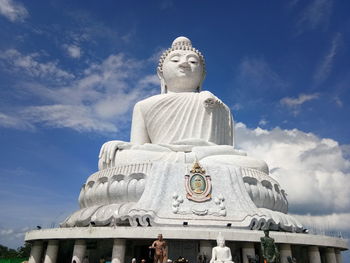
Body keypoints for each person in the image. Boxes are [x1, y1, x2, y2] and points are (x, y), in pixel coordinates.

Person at [98, 36, 268, 174]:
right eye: (175, 60)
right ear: (161, 73)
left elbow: (226, 149)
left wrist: (199, 153)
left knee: (259, 166)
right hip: (163, 156)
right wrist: (125, 147)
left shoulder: (218, 105)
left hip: (209, 158)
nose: (185, 64)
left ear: (203, 76)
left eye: (193, 62)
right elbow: (139, 146)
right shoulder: (144, 105)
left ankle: (190, 163)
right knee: (118, 158)